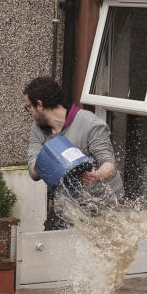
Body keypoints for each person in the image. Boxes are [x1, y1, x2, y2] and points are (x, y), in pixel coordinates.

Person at [22, 76, 124, 231]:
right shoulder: (37, 130)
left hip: (102, 203)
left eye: (28, 107)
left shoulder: (90, 124)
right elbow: (34, 172)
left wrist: (96, 176)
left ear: (40, 105)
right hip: (66, 203)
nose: (28, 112)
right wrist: (55, 158)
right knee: (50, 247)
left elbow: (109, 166)